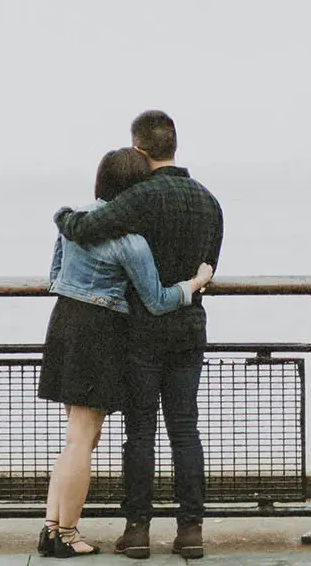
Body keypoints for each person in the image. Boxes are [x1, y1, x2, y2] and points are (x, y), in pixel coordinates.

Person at [54, 111, 223, 561]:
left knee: (140, 432)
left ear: (139, 149)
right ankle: (191, 531)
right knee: (186, 431)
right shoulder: (208, 201)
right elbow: (208, 268)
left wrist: (63, 217)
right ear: (174, 145)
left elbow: (86, 228)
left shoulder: (138, 197)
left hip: (141, 332)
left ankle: (138, 530)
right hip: (189, 327)